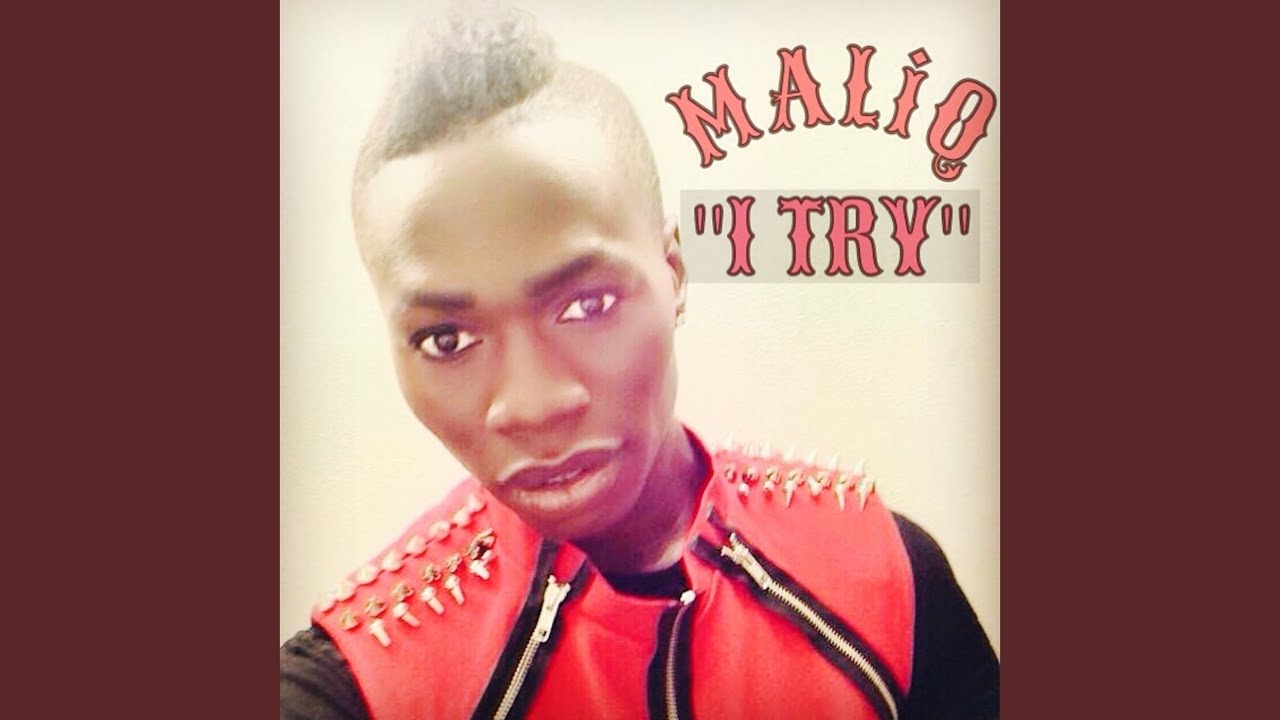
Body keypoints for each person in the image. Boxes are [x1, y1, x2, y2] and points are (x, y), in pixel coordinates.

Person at [280, 3, 999, 718]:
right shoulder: (361, 683)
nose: (531, 404)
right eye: (446, 339)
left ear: (674, 272)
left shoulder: (880, 578)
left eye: (586, 304)